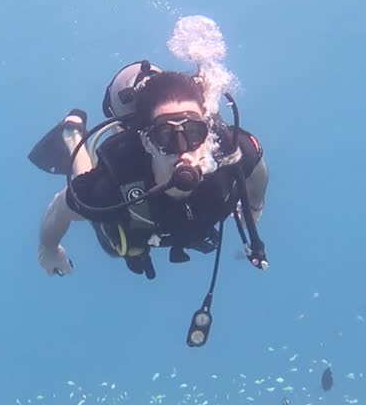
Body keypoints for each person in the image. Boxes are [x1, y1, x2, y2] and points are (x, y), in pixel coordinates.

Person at [31, 62, 269, 281]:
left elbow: (257, 169)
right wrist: (48, 249)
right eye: (165, 135)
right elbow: (61, 206)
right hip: (133, 198)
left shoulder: (233, 152)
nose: (182, 149)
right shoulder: (114, 182)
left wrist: (255, 205)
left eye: (194, 132)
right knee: (113, 244)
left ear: (206, 130)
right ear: (147, 141)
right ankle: (72, 134)